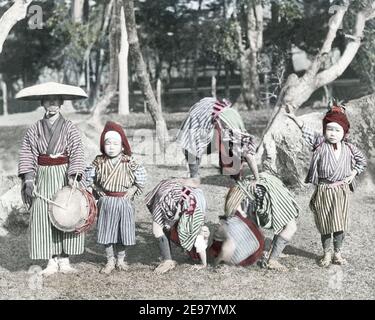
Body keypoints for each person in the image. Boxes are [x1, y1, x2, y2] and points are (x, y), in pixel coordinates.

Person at [17, 82, 88, 276]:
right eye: (48, 100)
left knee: (66, 212)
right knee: (43, 214)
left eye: (56, 101)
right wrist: (29, 180)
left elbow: (77, 152)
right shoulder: (34, 129)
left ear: (61, 103)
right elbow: (27, 155)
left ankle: (64, 258)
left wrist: (74, 176)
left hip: (64, 175)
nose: (52, 104)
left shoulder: (70, 128)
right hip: (43, 175)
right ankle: (51, 259)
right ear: (43, 103)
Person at [286, 100, 367, 266]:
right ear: (324, 130)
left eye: (337, 130)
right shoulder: (319, 143)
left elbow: (362, 161)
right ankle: (327, 254)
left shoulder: (350, 148)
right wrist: (294, 118)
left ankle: (337, 253)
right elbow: (305, 129)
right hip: (323, 190)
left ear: (344, 133)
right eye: (329, 129)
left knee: (339, 224)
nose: (332, 133)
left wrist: (353, 172)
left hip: (341, 191)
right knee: (325, 225)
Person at [85, 121, 147, 274]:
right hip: (106, 201)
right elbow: (88, 178)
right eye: (108, 143)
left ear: (122, 145)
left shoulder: (129, 161)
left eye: (115, 143)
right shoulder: (99, 161)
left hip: (124, 201)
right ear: (102, 145)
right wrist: (96, 188)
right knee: (107, 232)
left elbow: (141, 179)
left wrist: (132, 189)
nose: (111, 147)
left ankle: (120, 259)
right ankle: (110, 260)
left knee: (122, 232)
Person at [223, 172, 300, 271]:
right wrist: (256, 177)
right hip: (259, 189)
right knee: (290, 227)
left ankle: (272, 253)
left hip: (255, 187)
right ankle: (272, 260)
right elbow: (249, 156)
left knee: (284, 224)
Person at [176, 97, 259, 183]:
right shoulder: (233, 138)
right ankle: (194, 176)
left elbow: (249, 156)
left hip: (220, 111)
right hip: (206, 113)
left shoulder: (238, 139)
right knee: (192, 146)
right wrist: (256, 178)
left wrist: (256, 178)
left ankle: (235, 176)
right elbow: (249, 157)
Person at [145, 178, 210, 274]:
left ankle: (168, 258)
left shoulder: (195, 205)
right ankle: (167, 260)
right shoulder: (170, 201)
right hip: (166, 196)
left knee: (164, 228)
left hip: (182, 200)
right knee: (158, 229)